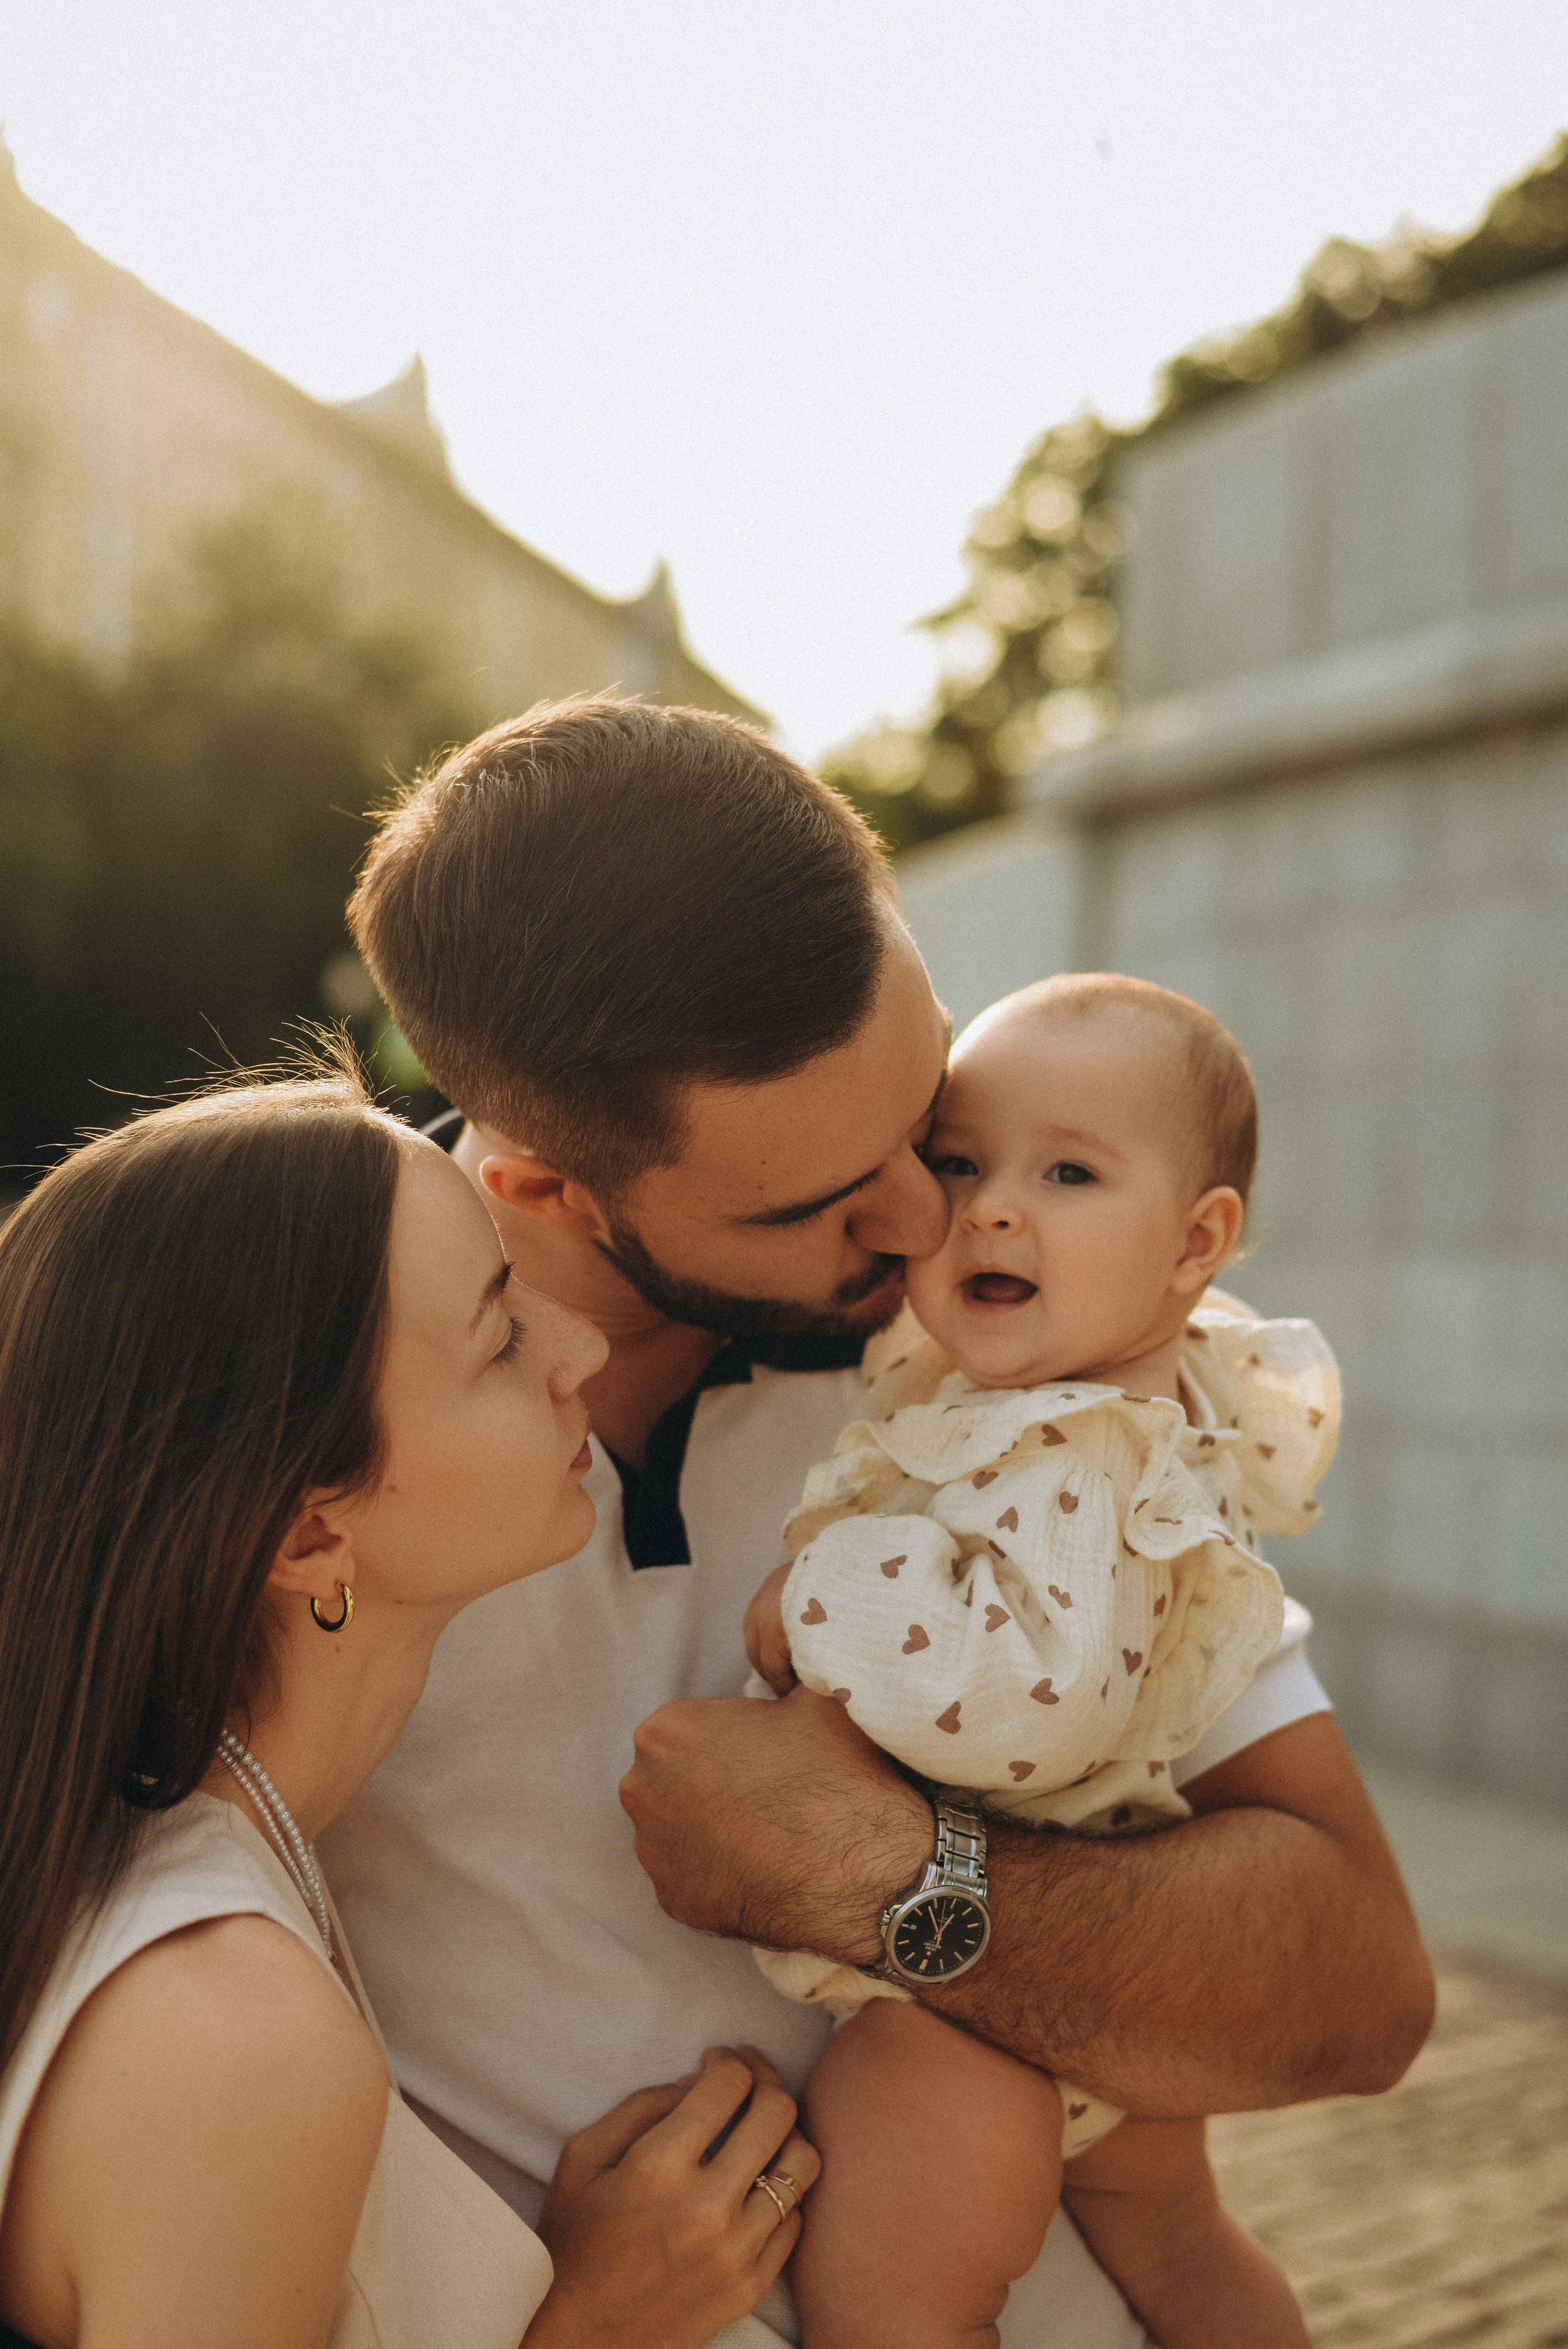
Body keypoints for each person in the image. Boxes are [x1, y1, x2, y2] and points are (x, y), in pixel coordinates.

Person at [326, 695, 1436, 2347]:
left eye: (925, 1117)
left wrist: (893, 1875)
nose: (932, 1217)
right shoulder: (289, 1428)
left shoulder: (1025, 1374)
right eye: (823, 1198)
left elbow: (1360, 1989)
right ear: (545, 1186)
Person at [0, 1060, 819, 2349]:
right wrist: (594, 2325)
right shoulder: (234, 2032)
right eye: (501, 1335)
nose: (580, 1347)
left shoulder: (192, 1868)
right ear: (310, 1535)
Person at [744, 975, 1336, 2348]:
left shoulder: (1072, 1453)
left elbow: (1030, 1708)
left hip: (963, 2016)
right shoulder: (1093, 1392)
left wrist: (820, 1591)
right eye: (959, 1163)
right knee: (1185, 2255)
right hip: (1099, 1982)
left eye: (1068, 1173)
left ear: (1195, 1242)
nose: (992, 1209)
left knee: (893, 2313)